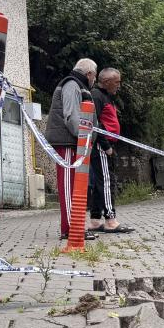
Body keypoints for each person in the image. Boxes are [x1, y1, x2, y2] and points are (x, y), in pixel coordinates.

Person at [44, 58, 97, 240]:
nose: (94, 80)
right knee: (68, 185)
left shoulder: (77, 85)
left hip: (74, 142)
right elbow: (71, 115)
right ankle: (70, 228)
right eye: (94, 76)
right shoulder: (72, 84)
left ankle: (76, 225)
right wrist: (84, 139)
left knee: (76, 186)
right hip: (67, 142)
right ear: (88, 74)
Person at [88, 68, 135, 233]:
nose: (119, 86)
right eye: (117, 82)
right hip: (101, 146)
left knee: (101, 183)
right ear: (106, 82)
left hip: (106, 145)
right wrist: (106, 146)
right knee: (107, 182)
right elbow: (95, 123)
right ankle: (110, 220)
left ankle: (95, 221)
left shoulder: (106, 96)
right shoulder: (96, 95)